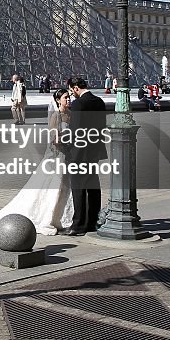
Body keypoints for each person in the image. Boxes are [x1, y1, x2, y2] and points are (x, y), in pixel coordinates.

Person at [0, 88, 75, 234]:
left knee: (65, 187)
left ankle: (63, 215)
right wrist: (70, 140)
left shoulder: (70, 114)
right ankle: (51, 216)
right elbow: (54, 139)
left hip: (67, 156)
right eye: (65, 98)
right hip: (56, 156)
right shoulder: (55, 116)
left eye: (69, 97)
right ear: (58, 100)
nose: (68, 100)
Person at [63, 77, 108, 235]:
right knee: (93, 187)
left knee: (78, 189)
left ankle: (78, 225)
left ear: (75, 88)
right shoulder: (99, 102)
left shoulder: (78, 104)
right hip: (94, 151)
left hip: (79, 152)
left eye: (71, 90)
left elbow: (75, 131)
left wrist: (67, 147)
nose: (71, 94)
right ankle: (92, 222)